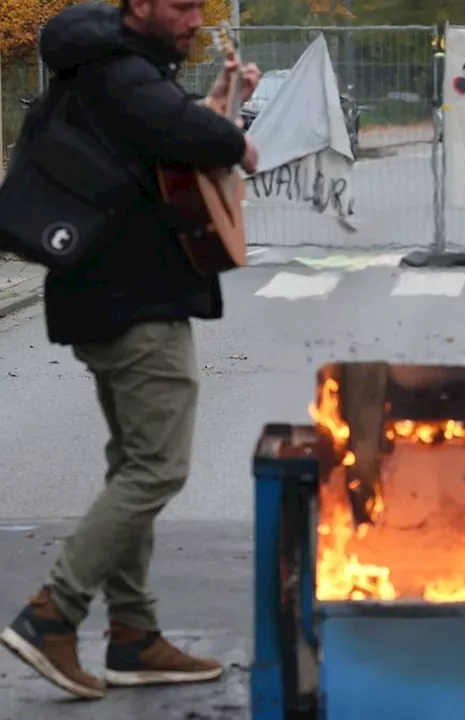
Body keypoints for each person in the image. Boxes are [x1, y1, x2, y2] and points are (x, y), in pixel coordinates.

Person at [0, 0, 261, 701]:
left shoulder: (116, 70)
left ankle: (134, 637)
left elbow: (168, 140)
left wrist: (214, 114)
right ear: (138, 5)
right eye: (181, 6)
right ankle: (53, 612)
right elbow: (191, 136)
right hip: (136, 302)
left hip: (108, 296)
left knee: (132, 464)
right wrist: (233, 140)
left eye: (199, 7)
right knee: (158, 468)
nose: (194, 20)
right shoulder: (121, 72)